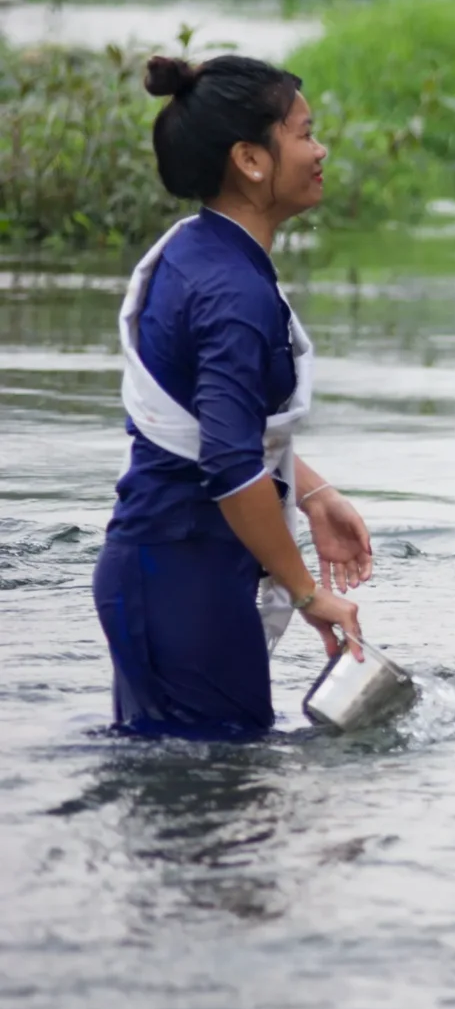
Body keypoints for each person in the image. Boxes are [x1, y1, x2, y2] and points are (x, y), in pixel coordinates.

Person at [95, 55, 374, 739]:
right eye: (305, 133)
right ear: (251, 159)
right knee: (217, 810)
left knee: (200, 798)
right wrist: (310, 594)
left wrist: (311, 493)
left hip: (168, 568)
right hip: (181, 578)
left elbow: (215, 428)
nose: (320, 149)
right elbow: (227, 463)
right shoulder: (232, 294)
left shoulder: (202, 252)